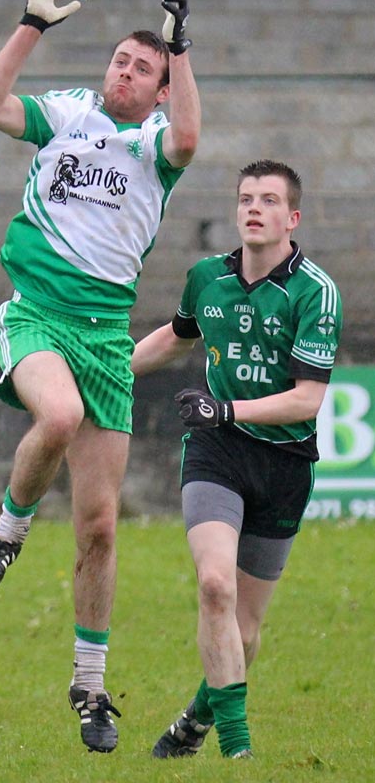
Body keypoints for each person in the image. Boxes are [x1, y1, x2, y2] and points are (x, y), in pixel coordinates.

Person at [0, 0, 200, 754]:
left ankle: (90, 688)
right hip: (36, 313)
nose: (123, 72)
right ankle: (6, 534)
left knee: (100, 527)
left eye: (142, 68)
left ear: (161, 90)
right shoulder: (66, 112)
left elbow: (192, 139)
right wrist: (31, 24)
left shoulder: (154, 146)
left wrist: (183, 52)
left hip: (104, 336)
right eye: (119, 61)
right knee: (57, 416)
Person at [131, 159, 342, 760]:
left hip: (284, 463)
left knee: (245, 632)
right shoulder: (206, 278)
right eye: (247, 198)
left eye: (270, 200)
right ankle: (237, 751)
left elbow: (307, 398)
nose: (255, 207)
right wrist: (110, 371)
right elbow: (177, 335)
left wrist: (226, 410)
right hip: (216, 455)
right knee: (215, 586)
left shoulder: (315, 292)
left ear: (292, 218)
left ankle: (194, 721)